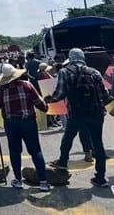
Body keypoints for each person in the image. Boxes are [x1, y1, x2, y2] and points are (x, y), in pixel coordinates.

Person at [45, 48, 112, 187]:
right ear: (83, 58)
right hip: (96, 113)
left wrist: (48, 99)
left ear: (70, 58)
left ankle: (63, 163)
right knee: (98, 144)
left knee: (68, 137)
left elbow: (60, 94)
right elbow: (105, 96)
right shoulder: (94, 72)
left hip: (76, 113)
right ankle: (100, 178)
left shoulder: (65, 71)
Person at [0, 64, 51, 191]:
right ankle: (43, 182)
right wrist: (46, 107)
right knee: (35, 151)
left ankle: (18, 180)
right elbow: (40, 104)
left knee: (14, 151)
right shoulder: (27, 85)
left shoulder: (1, 90)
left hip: (11, 123)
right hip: (28, 121)